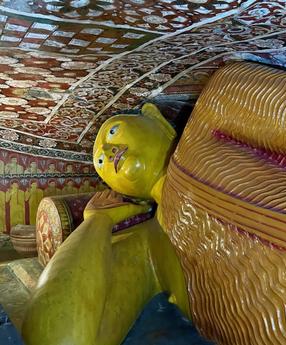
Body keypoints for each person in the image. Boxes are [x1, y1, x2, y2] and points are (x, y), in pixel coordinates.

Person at [22, 104, 189, 345]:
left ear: (156, 117)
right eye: (101, 162)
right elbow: (56, 338)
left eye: (112, 132)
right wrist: (98, 221)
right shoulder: (150, 246)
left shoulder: (212, 127)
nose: (108, 153)